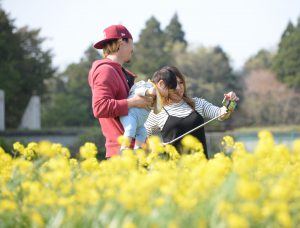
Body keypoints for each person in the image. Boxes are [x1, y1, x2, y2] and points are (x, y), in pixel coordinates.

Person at [145, 66, 239, 158]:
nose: (178, 88)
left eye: (181, 83)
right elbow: (143, 137)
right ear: (163, 87)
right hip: (176, 170)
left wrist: (229, 103)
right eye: (173, 85)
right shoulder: (157, 112)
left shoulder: (197, 103)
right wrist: (156, 147)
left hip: (202, 168)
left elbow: (221, 115)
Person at [88, 24, 153, 158]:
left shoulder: (117, 72)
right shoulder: (106, 71)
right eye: (131, 43)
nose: (132, 49)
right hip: (122, 153)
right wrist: (133, 102)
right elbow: (100, 108)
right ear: (121, 42)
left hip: (132, 151)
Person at [120, 68, 177, 150]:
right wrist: (148, 92)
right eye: (169, 91)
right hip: (130, 115)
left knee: (143, 133)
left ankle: (138, 149)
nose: (168, 95)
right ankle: (124, 148)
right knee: (130, 129)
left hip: (139, 123)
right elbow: (138, 91)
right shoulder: (148, 86)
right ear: (161, 84)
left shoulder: (157, 97)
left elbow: (156, 110)